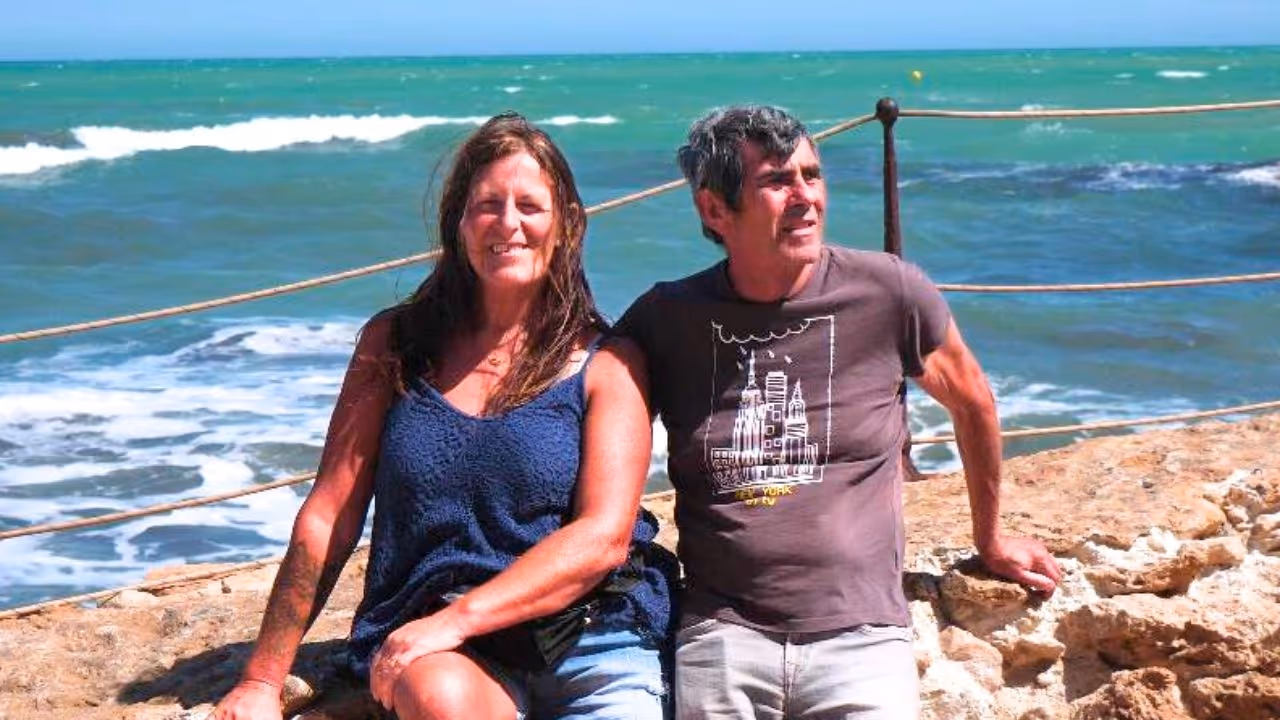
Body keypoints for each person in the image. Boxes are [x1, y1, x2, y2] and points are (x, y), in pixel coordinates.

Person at [211, 112, 675, 720]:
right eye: (487, 205)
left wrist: (459, 618)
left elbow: (602, 538)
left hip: (593, 638)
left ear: (567, 224)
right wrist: (262, 680)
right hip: (450, 652)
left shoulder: (608, 362)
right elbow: (330, 512)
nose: (508, 223)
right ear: (458, 222)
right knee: (440, 701)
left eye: (530, 206)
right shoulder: (395, 345)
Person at [614, 105, 1063, 719]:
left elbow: (973, 400)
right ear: (714, 210)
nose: (806, 197)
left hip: (862, 634)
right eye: (777, 181)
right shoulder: (667, 318)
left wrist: (990, 538)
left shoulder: (888, 292)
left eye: (812, 175)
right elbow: (584, 407)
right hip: (723, 633)